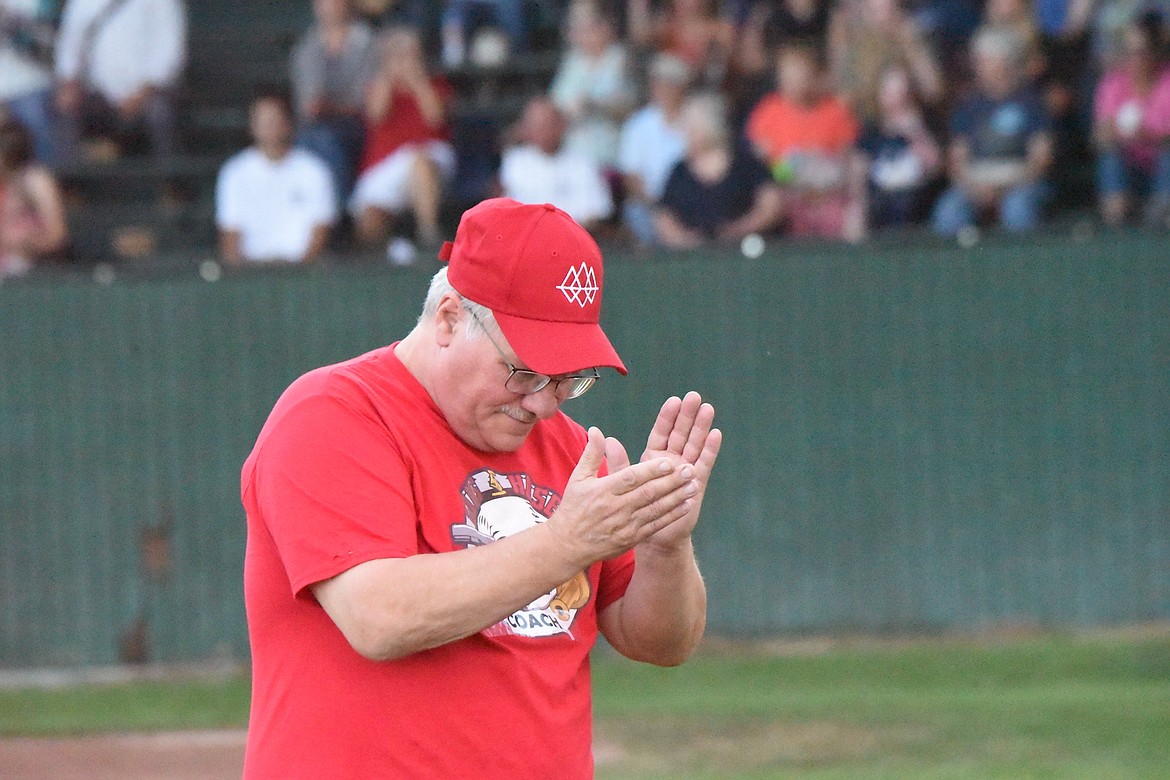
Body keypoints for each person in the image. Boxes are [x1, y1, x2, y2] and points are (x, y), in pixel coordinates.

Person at [241, 196, 722, 778]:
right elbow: (379, 616)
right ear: (448, 319)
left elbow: (659, 643)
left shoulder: (570, 448)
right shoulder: (333, 414)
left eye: (569, 378)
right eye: (524, 371)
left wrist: (664, 548)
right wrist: (567, 543)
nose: (544, 402)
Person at [931, 27, 1054, 236]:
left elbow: (1042, 158)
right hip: (977, 181)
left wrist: (1005, 187)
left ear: (1005, 62)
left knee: (1018, 208)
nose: (979, 66)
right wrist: (975, 188)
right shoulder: (969, 106)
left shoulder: (1031, 102)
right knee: (949, 211)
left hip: (1020, 180)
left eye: (985, 60)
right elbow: (957, 159)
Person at [745, 42, 865, 241]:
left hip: (829, 190)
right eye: (786, 75)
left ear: (813, 76)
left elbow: (847, 159)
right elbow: (759, 161)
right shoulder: (768, 111)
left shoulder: (835, 111)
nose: (791, 81)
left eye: (798, 74)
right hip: (785, 188)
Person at [350, 26, 454, 253]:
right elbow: (377, 113)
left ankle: (428, 232)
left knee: (420, 161)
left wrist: (416, 79)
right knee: (368, 221)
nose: (403, 60)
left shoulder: (434, 83)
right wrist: (389, 73)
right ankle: (390, 253)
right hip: (388, 163)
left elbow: (436, 117)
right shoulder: (378, 86)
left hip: (431, 155)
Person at [53, 0, 186, 161]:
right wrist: (70, 84)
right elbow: (70, 50)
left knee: (160, 112)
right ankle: (68, 182)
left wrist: (138, 97)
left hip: (148, 96)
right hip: (98, 95)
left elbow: (169, 59)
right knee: (66, 106)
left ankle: (171, 182)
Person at [215, 91, 337, 265]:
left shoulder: (314, 170)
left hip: (303, 275)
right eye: (264, 122)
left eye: (275, 120)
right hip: (252, 275)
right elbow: (230, 236)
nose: (270, 127)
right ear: (252, 127)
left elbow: (321, 230)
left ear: (288, 124)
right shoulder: (234, 172)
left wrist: (299, 271)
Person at [656, 91, 783, 247]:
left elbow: (771, 204)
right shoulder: (679, 171)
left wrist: (740, 230)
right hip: (694, 258)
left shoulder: (746, 163)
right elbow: (665, 215)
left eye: (692, 129)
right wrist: (685, 241)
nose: (686, 134)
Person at [290, 0, 379, 207]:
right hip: (315, 126)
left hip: (359, 125)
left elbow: (366, 99)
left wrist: (330, 106)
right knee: (310, 140)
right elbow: (308, 102)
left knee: (323, 140)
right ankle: (325, 211)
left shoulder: (368, 43)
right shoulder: (307, 47)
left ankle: (337, 209)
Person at [1093, 10, 1170, 226]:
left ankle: (1163, 216)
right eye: (1129, 52)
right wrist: (1114, 132)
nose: (1135, 59)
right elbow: (1100, 134)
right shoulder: (1114, 82)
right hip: (1130, 168)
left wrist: (1147, 135)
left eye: (1141, 52)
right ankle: (1116, 221)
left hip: (1162, 169)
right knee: (1111, 159)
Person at [499, 96, 614, 229]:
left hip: (573, 239)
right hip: (527, 240)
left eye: (548, 125)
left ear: (562, 125)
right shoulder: (514, 162)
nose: (544, 132)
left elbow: (597, 212)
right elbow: (507, 212)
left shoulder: (583, 162)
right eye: (537, 126)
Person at [549, 1, 637, 171]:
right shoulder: (573, 61)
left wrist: (595, 105)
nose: (583, 34)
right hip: (574, 149)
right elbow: (557, 102)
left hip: (612, 148)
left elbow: (631, 104)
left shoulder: (620, 58)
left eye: (589, 28)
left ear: (605, 27)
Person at [854, 65, 944, 231]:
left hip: (917, 198)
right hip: (881, 200)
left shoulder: (925, 125)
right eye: (891, 93)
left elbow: (935, 166)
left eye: (902, 93)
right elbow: (858, 173)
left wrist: (915, 131)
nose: (897, 100)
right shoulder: (872, 131)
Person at [617, 51, 691, 245]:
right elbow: (632, 177)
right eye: (659, 82)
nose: (663, 89)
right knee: (636, 214)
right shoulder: (638, 125)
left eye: (670, 83)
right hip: (651, 204)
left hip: (690, 201)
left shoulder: (695, 120)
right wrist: (658, 205)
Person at [0, 118, 68, 278]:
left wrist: (23, 243)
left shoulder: (35, 179)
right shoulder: (4, 183)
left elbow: (57, 237)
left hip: (27, 268)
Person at [0, 0, 58, 164]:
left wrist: (10, 22)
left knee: (43, 162)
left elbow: (53, 45)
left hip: (31, 86)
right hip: (5, 88)